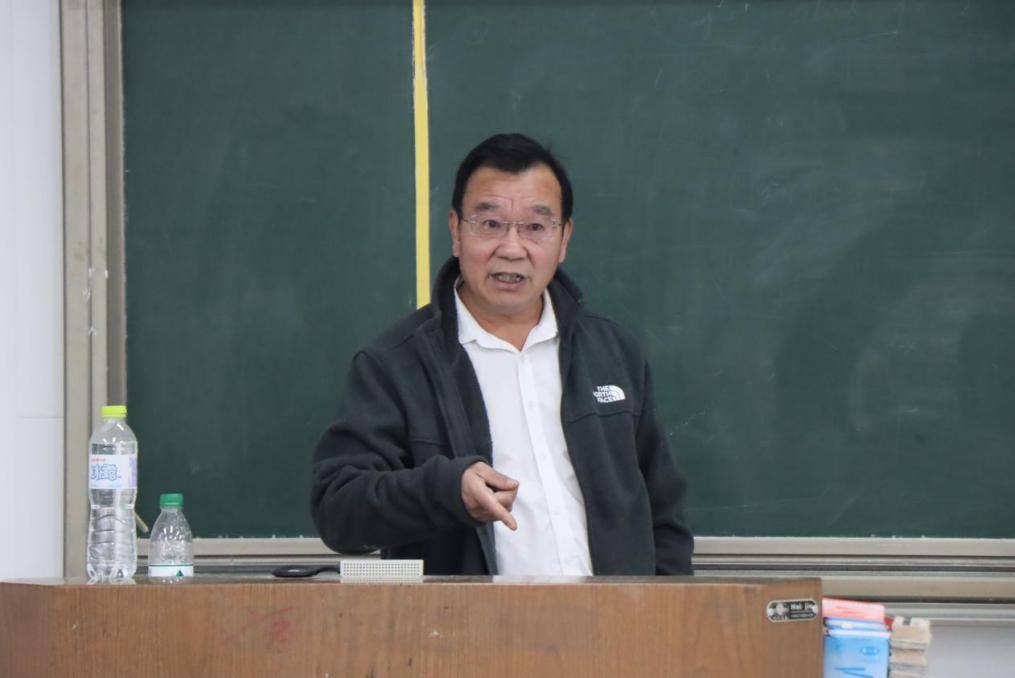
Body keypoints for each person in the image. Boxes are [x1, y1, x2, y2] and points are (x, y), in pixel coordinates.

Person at [311, 133, 693, 576]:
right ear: (456, 231)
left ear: (564, 238)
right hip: (467, 620)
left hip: (617, 617)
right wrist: (445, 490)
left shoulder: (613, 352)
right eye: (490, 224)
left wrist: (667, 610)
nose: (512, 249)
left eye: (535, 227)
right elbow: (339, 510)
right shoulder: (394, 365)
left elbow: (664, 517)